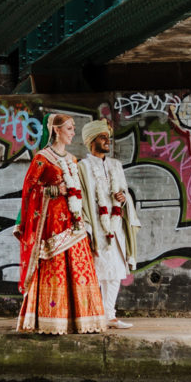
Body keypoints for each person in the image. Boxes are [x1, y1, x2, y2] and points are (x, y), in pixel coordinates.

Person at [15, 113, 105, 334]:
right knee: (54, 269)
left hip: (74, 223)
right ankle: (50, 320)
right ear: (56, 130)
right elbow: (29, 190)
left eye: (73, 129)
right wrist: (54, 190)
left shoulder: (72, 160)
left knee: (79, 267)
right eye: (70, 129)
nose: (73, 133)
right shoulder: (42, 158)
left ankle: (80, 319)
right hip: (52, 224)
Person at [77, 119, 141, 329]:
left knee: (114, 271)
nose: (107, 141)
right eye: (103, 137)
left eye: (107, 137)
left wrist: (124, 199)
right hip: (94, 226)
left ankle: (110, 316)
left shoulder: (115, 165)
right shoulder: (82, 167)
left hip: (115, 226)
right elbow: (80, 199)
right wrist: (86, 230)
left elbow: (123, 192)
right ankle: (93, 316)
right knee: (95, 272)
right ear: (91, 140)